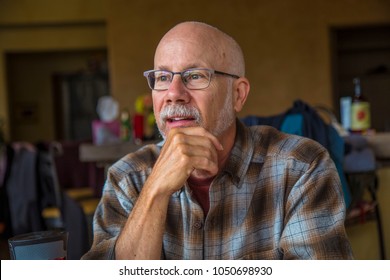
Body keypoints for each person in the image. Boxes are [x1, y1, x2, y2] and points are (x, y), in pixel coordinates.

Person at [82, 21, 353, 260]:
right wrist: (155, 191)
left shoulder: (302, 169)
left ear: (238, 94)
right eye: (163, 77)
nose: (174, 94)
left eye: (195, 76)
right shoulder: (126, 178)